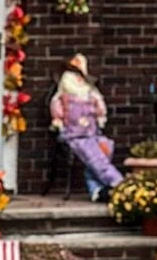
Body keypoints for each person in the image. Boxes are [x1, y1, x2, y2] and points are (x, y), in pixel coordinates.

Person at [50, 53, 123, 201]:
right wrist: (58, 122)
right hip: (74, 134)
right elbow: (57, 109)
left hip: (93, 132)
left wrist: (100, 117)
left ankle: (97, 190)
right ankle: (117, 183)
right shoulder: (64, 95)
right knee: (92, 155)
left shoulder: (90, 93)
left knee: (105, 147)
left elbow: (100, 108)